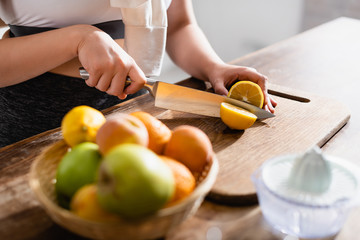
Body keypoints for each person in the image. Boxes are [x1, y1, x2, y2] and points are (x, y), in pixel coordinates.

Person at [0, 0, 277, 147]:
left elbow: (179, 24)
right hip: (32, 124)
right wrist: (79, 39)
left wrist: (214, 66)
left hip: (135, 111)